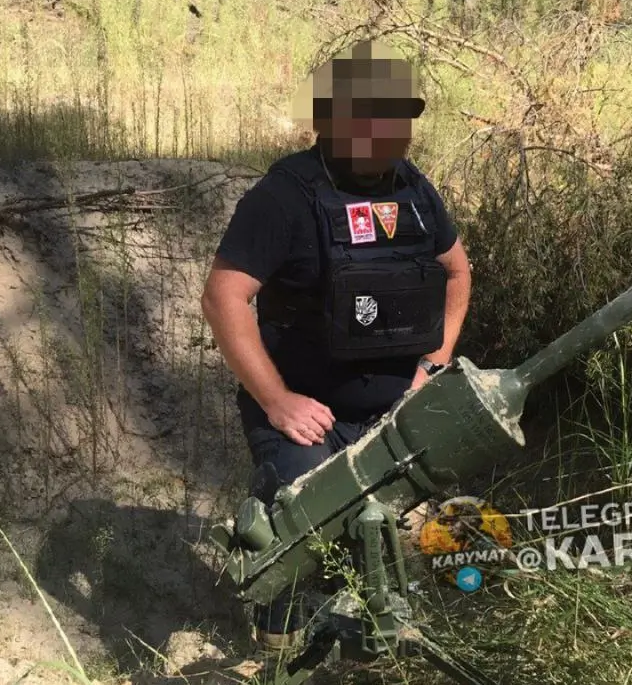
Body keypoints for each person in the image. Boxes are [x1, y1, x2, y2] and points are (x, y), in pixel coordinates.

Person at [200, 39, 472, 649]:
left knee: (407, 527)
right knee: (296, 525)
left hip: (395, 405)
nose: (386, 134)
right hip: (307, 409)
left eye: (396, 119)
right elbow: (223, 297)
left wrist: (433, 363)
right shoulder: (285, 197)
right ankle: (281, 645)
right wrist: (276, 400)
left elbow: (458, 271)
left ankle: (382, 634)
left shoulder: (416, 192)